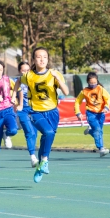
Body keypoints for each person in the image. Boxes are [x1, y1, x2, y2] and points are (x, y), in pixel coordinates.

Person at [19, 47, 69, 183]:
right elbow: (18, 81)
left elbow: (66, 91)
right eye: (39, 57)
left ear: (48, 59)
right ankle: (45, 161)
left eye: (44, 57)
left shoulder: (54, 73)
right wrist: (14, 97)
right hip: (35, 111)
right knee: (48, 132)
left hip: (52, 112)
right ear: (33, 59)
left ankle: (40, 167)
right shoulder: (29, 75)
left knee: (47, 138)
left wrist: (58, 79)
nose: (42, 59)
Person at [74, 72, 110, 157]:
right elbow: (77, 102)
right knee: (98, 130)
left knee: (99, 131)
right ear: (88, 82)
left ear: (97, 81)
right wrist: (78, 113)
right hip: (91, 113)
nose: (93, 84)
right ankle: (101, 148)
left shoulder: (101, 89)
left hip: (101, 113)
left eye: (95, 83)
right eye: (91, 83)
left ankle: (90, 131)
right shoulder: (84, 91)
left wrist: (106, 107)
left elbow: (108, 98)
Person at [14, 61, 39, 167]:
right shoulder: (15, 81)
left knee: (35, 133)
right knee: (29, 132)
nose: (26, 72)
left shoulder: (34, 80)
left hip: (34, 109)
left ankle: (35, 155)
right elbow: (11, 95)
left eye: (28, 70)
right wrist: (16, 104)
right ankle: (32, 157)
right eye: (23, 70)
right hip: (22, 110)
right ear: (19, 71)